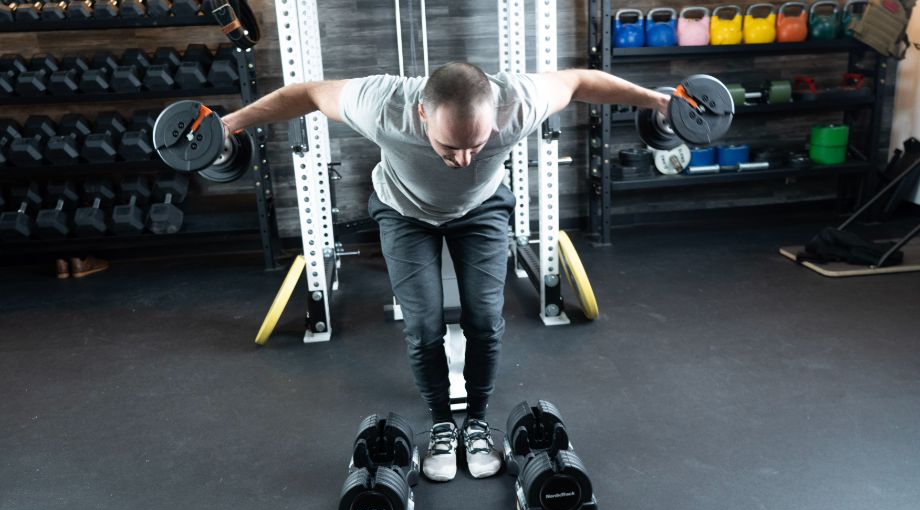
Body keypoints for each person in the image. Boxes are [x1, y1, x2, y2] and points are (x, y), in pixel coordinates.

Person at [222, 63, 668, 482]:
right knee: (422, 325)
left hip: (482, 210)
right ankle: (440, 424)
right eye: (449, 147)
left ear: (496, 111)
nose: (464, 160)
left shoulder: (519, 102)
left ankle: (476, 421)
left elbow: (579, 81)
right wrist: (229, 126)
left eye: (476, 144)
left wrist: (658, 103)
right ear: (420, 113)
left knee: (485, 321)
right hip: (403, 212)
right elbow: (308, 93)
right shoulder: (382, 105)